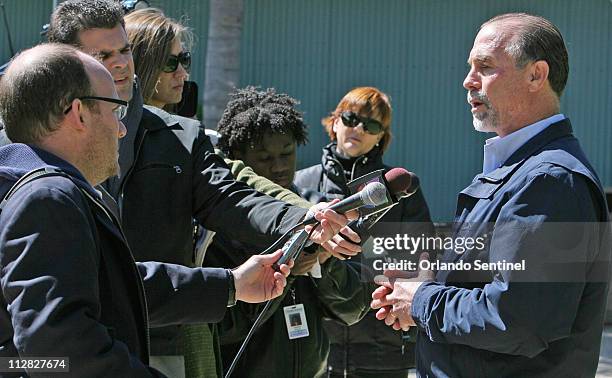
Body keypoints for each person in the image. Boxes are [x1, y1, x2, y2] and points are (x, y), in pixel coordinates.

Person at [42, 1, 353, 376]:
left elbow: (234, 195)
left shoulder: (180, 138)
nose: (121, 63)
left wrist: (305, 218)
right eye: (103, 54)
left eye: (124, 50)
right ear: (67, 62)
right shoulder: (30, 143)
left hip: (160, 338)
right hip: (53, 347)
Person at [0, 43, 294, 377]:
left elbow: (114, 285)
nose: (122, 128)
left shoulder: (34, 189)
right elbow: (59, 349)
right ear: (78, 113)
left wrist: (232, 284)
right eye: (116, 110)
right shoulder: (48, 198)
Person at [371, 13, 611, 377]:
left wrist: (421, 300)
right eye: (471, 67)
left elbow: (517, 320)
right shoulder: (521, 170)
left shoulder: (551, 179)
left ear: (536, 75)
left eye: (484, 67)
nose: (468, 81)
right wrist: (424, 284)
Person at [205, 86, 370, 377]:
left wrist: (323, 262)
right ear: (237, 160)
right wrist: (287, 274)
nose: (279, 167)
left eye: (287, 153)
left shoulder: (318, 209)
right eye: (265, 158)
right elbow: (224, 328)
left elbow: (354, 310)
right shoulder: (220, 224)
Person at [294, 86, 434, 377]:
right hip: (316, 348)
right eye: (350, 118)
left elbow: (421, 258)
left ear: (381, 137)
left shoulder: (401, 190)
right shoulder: (299, 184)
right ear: (334, 122)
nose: (358, 128)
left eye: (371, 124)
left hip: (382, 346)